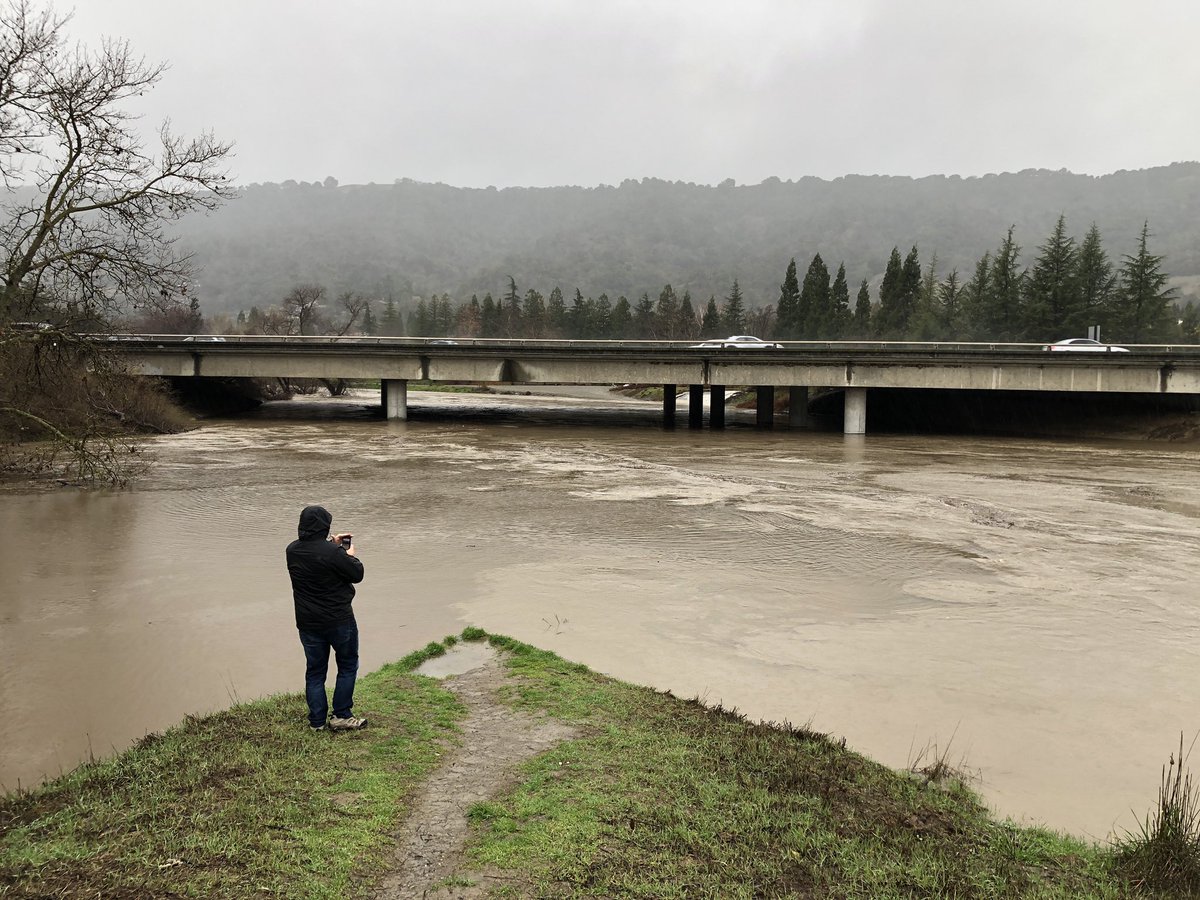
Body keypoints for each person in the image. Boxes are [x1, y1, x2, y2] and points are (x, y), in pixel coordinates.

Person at [285, 504, 367, 731]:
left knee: (315, 671)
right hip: (339, 620)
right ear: (325, 527)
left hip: (307, 622)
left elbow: (316, 558)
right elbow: (357, 574)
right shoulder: (333, 554)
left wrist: (332, 546)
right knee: (348, 665)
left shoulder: (292, 550)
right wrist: (347, 553)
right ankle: (341, 715)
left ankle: (317, 722)